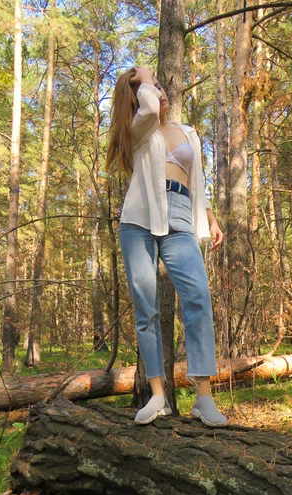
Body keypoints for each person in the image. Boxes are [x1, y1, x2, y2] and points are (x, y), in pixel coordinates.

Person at [106, 66, 227, 427]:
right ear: (136, 95)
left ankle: (203, 397)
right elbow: (146, 108)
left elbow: (197, 181)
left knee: (197, 298)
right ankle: (158, 396)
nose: (157, 91)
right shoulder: (138, 130)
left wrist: (209, 216)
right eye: (148, 86)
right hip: (139, 220)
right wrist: (141, 80)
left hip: (179, 218)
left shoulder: (188, 131)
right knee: (146, 309)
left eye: (158, 84)